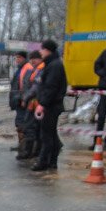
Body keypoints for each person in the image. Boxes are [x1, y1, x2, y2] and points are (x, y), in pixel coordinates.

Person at [32, 39, 66, 172]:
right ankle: (51, 161)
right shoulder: (52, 64)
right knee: (50, 134)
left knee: (46, 135)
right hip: (51, 105)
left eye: (42, 49)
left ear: (48, 50)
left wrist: (42, 104)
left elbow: (51, 88)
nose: (40, 51)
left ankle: (44, 161)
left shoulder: (54, 65)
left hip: (51, 106)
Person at [17, 50, 43, 160]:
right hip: (33, 103)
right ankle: (35, 151)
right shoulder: (35, 69)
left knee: (30, 128)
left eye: (35, 59)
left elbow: (35, 88)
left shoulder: (40, 70)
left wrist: (25, 97)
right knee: (35, 129)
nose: (32, 61)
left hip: (35, 104)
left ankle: (29, 151)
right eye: (31, 59)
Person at [8, 51, 29, 151]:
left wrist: (21, 98)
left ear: (25, 58)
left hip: (22, 102)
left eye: (19, 58)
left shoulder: (26, 68)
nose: (17, 60)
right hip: (18, 101)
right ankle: (22, 144)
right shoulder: (20, 69)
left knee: (22, 123)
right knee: (19, 123)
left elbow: (26, 86)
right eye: (16, 58)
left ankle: (24, 146)